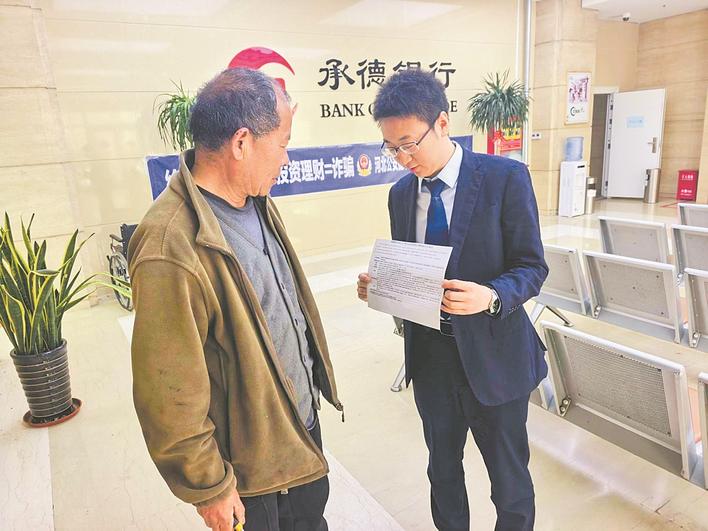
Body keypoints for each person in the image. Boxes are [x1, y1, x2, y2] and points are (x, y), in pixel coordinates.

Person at [129, 67, 342, 531]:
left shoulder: (255, 200)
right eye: (283, 143)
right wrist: (209, 485)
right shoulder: (170, 243)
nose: (287, 157)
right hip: (249, 467)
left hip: (296, 430)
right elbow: (167, 391)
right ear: (242, 142)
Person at [357, 68, 548, 531]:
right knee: (442, 473)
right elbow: (413, 268)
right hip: (432, 360)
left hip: (495, 357)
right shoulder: (401, 194)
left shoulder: (505, 178)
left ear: (442, 123)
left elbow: (531, 267)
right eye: (391, 147)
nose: (402, 158)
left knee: (510, 481)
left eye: (409, 144)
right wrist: (381, 287)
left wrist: (490, 295)